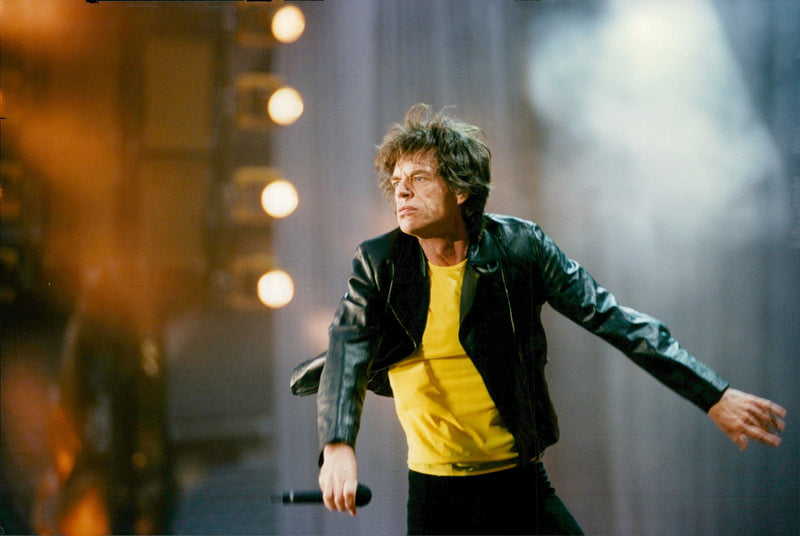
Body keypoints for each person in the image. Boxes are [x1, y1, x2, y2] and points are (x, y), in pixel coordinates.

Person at [300, 103, 786, 535]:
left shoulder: (520, 248)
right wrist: (338, 445)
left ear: (462, 189)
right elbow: (348, 348)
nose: (401, 191)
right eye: (396, 182)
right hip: (436, 496)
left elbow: (613, 317)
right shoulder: (380, 262)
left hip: (519, 483)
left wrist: (713, 394)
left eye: (420, 178)